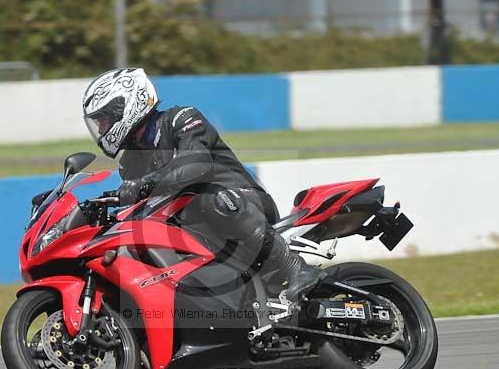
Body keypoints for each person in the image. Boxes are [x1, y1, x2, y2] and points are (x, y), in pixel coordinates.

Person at [82, 67, 323, 302]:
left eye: (104, 120)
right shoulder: (130, 162)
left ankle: (295, 268)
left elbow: (196, 164)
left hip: (241, 201)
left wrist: (144, 184)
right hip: (193, 224)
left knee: (203, 199)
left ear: (127, 106)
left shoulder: (181, 118)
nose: (102, 129)